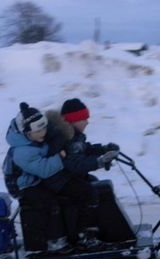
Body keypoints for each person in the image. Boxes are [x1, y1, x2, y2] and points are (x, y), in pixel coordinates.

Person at [42, 98, 120, 245]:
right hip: (58, 180)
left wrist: (104, 149)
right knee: (88, 192)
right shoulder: (63, 137)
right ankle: (83, 234)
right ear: (73, 120)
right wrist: (99, 161)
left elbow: (84, 149)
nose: (87, 122)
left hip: (65, 176)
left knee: (96, 185)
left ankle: (95, 227)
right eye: (83, 119)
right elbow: (75, 163)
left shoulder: (73, 134)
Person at [5, 102, 70, 253]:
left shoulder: (34, 141)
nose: (43, 133)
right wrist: (60, 158)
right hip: (23, 186)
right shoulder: (22, 151)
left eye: (44, 127)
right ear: (26, 133)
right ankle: (54, 241)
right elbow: (43, 169)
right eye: (38, 130)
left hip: (34, 180)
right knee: (49, 202)